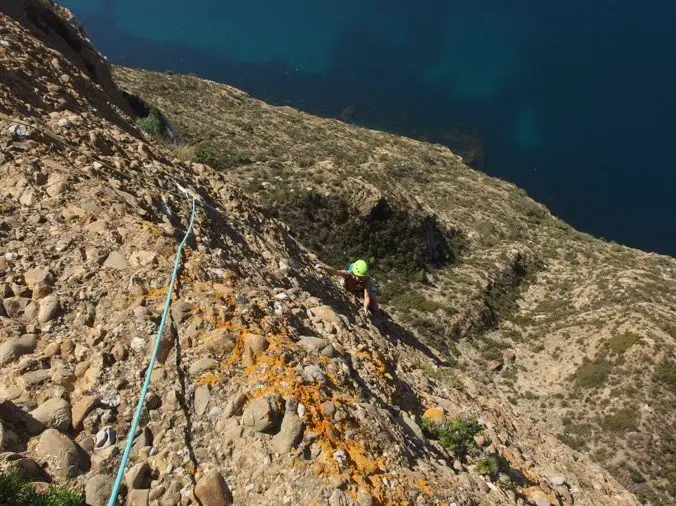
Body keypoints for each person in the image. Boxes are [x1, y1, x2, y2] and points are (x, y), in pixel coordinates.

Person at [315, 259, 379, 315]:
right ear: (354, 273)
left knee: (374, 306)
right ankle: (355, 293)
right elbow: (336, 271)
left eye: (363, 277)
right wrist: (323, 267)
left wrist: (365, 307)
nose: (361, 279)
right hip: (351, 286)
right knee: (344, 284)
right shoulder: (348, 274)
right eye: (359, 277)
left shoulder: (367, 280)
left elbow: (367, 296)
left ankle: (358, 293)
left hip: (361, 288)